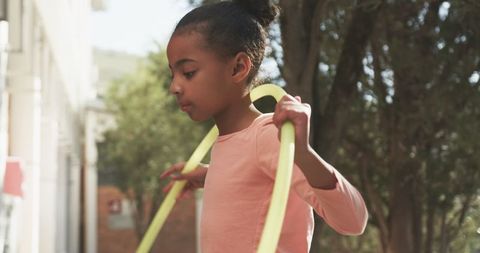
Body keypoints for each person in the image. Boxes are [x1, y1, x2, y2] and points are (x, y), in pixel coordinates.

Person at [160, 0, 368, 252]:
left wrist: (304, 154)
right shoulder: (233, 141)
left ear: (238, 68)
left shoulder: (270, 136)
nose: (175, 87)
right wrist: (209, 175)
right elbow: (253, 181)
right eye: (173, 74)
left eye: (189, 72)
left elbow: (354, 220)